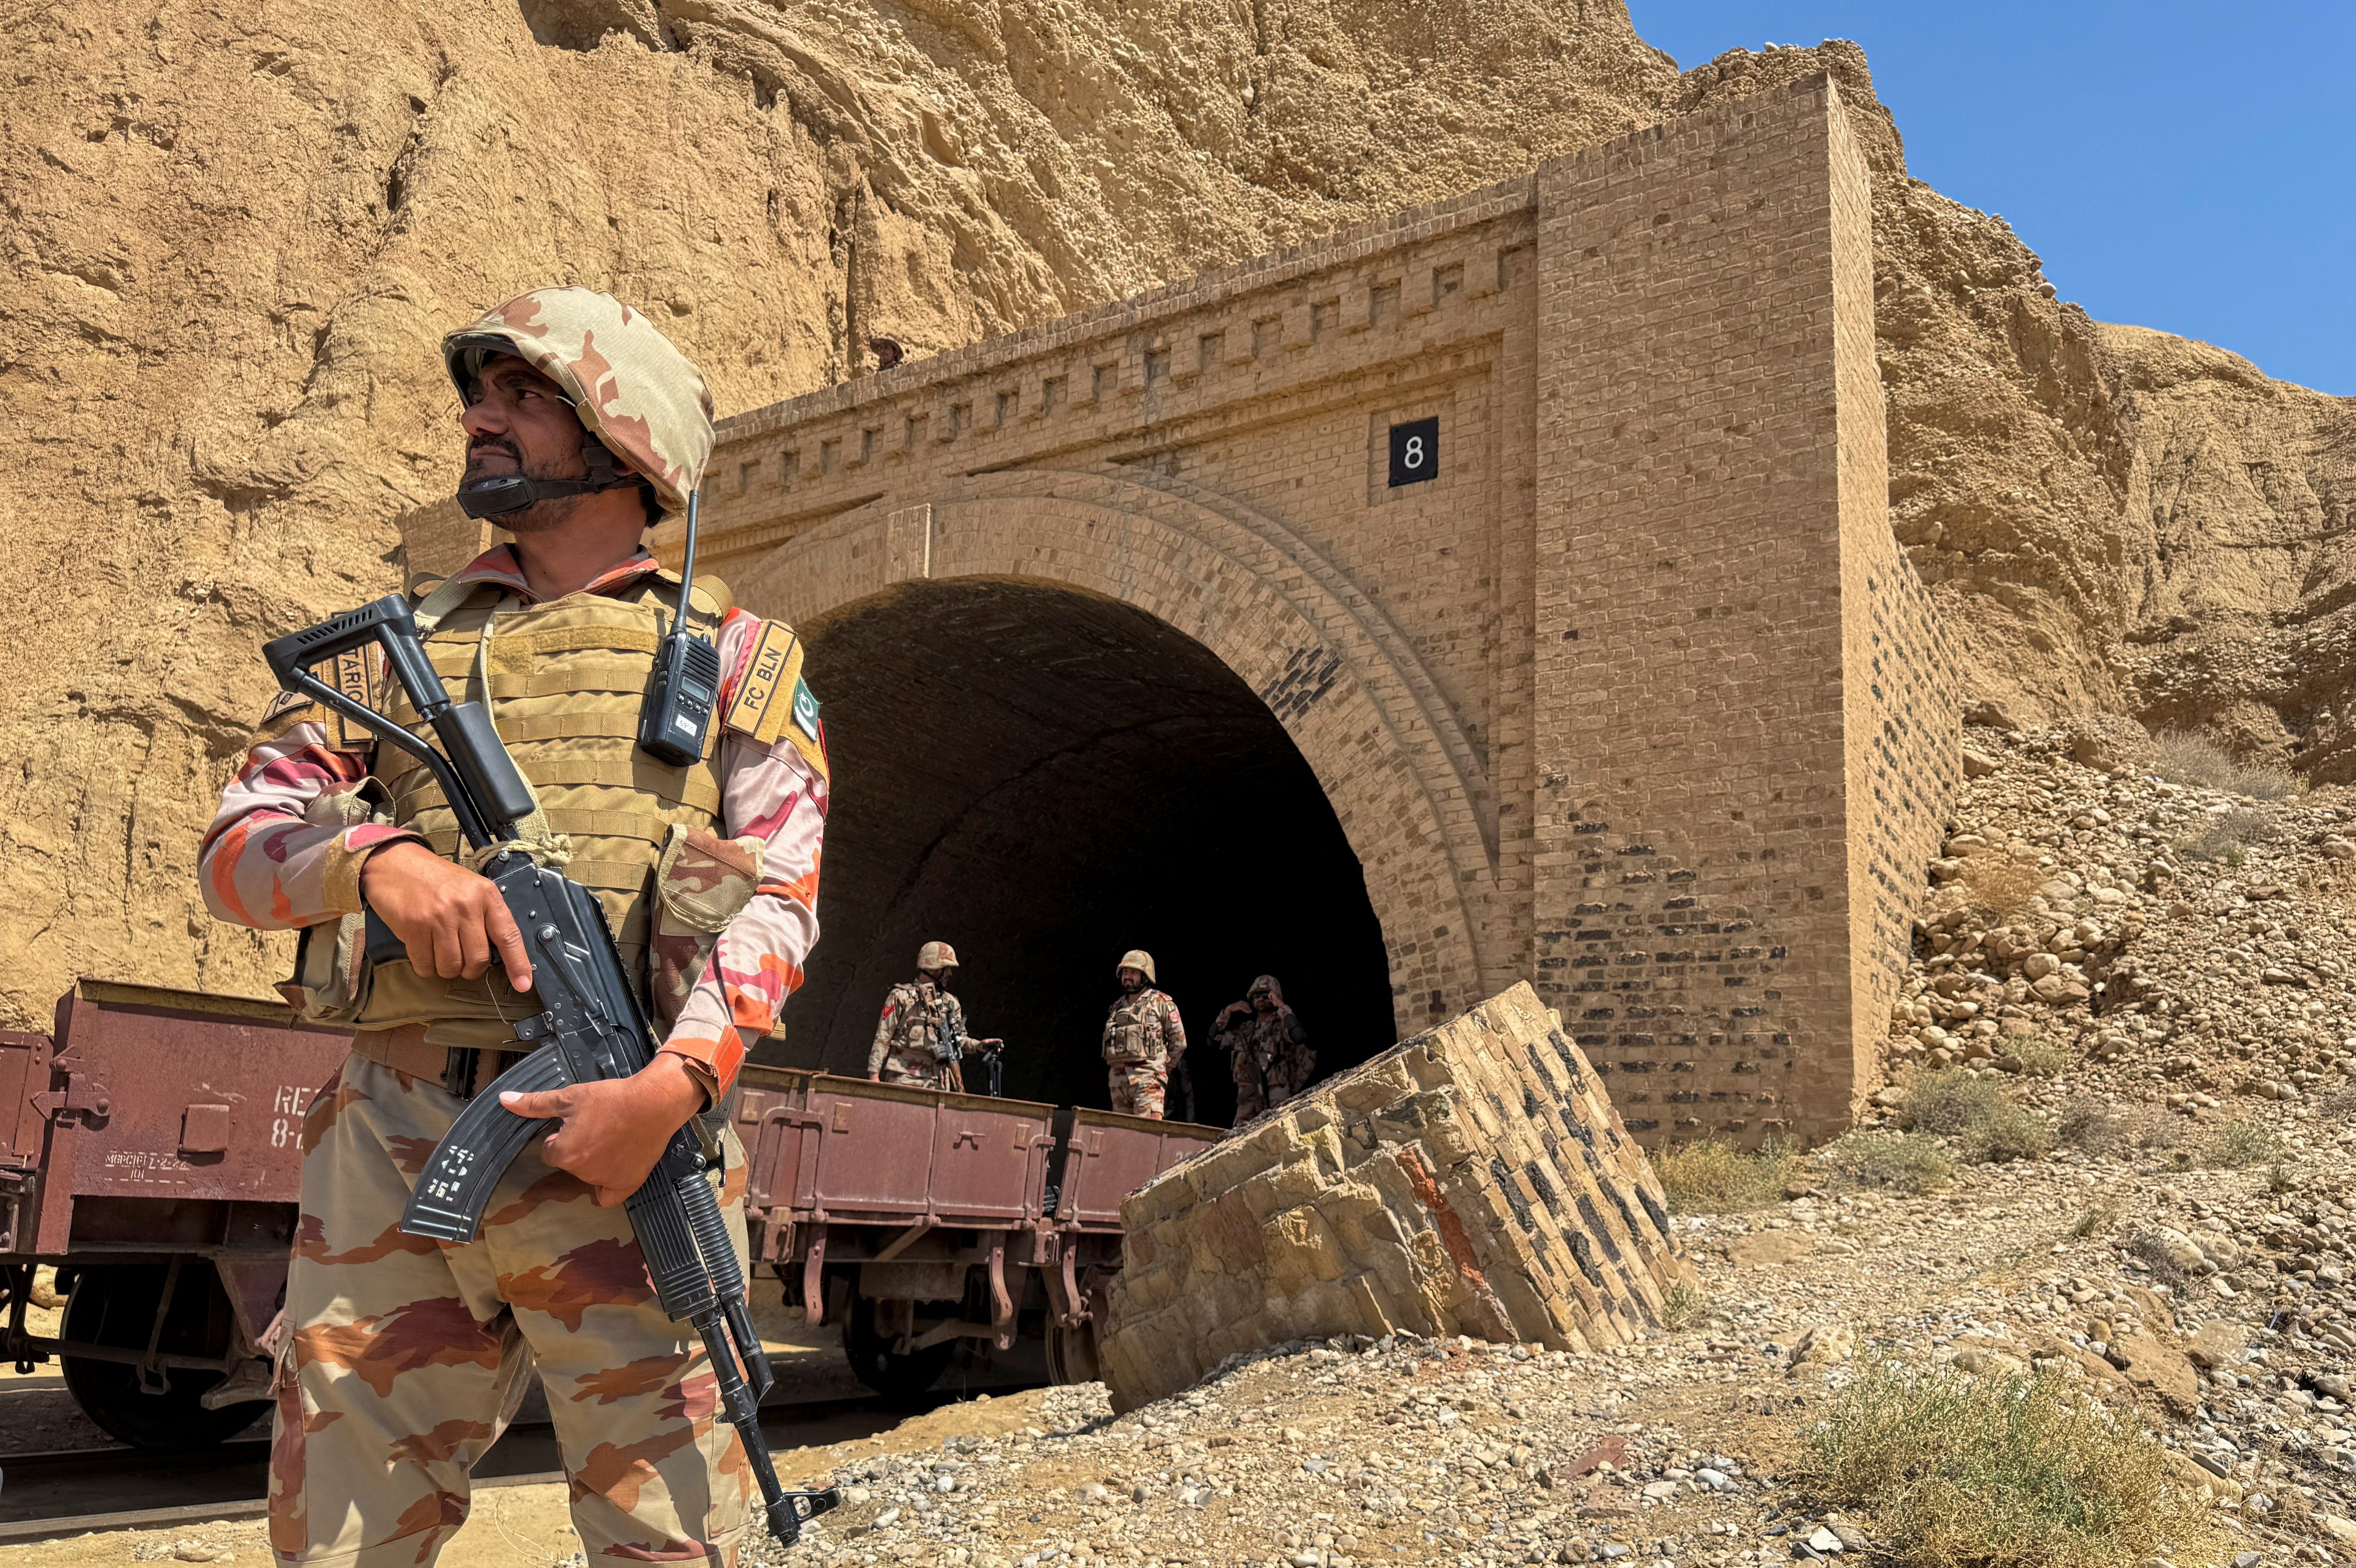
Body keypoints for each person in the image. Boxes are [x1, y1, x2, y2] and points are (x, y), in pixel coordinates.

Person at [198, 287, 829, 1568]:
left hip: (629, 1148)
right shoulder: (386, 663)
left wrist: (669, 1089)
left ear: (623, 434)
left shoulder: (742, 661)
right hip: (394, 1138)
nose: (479, 420)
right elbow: (236, 854)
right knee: (338, 1541)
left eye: (519, 395)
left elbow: (780, 901)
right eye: (475, 395)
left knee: (676, 1539)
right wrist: (377, 864)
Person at [1212, 974, 1312, 1125]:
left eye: (1266, 995)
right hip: (1249, 1094)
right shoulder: (1246, 1031)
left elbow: (1299, 1036)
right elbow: (1213, 1041)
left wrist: (1282, 1007)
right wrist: (1227, 1012)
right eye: (1256, 996)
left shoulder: (1281, 1025)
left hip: (1277, 1091)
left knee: (1281, 1128)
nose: (1260, 999)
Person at [868, 940, 968, 1088]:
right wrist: (874, 1075)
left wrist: (981, 1045)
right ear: (936, 969)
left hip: (938, 1084)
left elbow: (961, 1040)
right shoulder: (900, 997)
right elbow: (883, 1037)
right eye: (947, 969)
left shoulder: (951, 1003)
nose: (950, 974)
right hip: (905, 1080)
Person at [1100, 950, 1185, 1118]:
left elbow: (1179, 1042)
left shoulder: (1160, 1003)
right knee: (1121, 1134)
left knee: (1146, 1135)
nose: (1128, 977)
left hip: (1148, 1082)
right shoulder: (1117, 1008)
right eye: (1125, 972)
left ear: (1146, 977)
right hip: (1118, 1085)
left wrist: (1161, 1069)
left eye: (1133, 972)